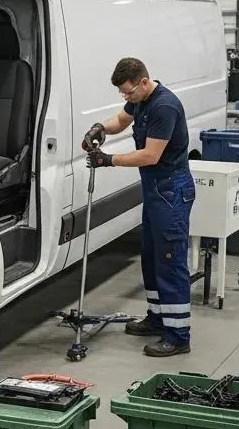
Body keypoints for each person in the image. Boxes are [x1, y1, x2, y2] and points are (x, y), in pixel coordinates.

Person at [81, 58, 194, 358]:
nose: (126, 98)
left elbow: (150, 156)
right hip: (156, 190)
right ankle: (158, 318)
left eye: (128, 92)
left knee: (170, 260)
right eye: (123, 94)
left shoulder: (164, 107)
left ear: (144, 82)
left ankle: (178, 335)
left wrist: (109, 160)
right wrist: (98, 128)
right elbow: (120, 120)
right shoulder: (140, 100)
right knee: (152, 256)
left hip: (171, 190)